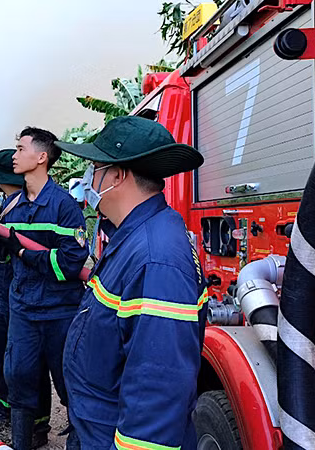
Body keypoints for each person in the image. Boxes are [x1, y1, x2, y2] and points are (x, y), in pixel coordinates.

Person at [55, 116, 207, 449]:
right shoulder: (135, 235)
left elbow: (158, 389)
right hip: (98, 429)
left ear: (117, 175)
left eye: (94, 168)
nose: (87, 179)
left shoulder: (156, 258)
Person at [0, 127, 89, 450]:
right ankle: (24, 443)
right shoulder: (12, 208)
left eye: (20, 149)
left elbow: (70, 262)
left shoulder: (65, 207)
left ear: (41, 158)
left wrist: (26, 252)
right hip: (22, 310)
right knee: (20, 379)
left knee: (69, 385)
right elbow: (3, 255)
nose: (15, 155)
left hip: (60, 312)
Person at [0, 149, 53, 448]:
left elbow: (10, 251)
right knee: (15, 358)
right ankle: (22, 417)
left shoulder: (21, 207)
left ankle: (24, 420)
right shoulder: (13, 203)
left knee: (15, 359)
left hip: (15, 294)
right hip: (10, 292)